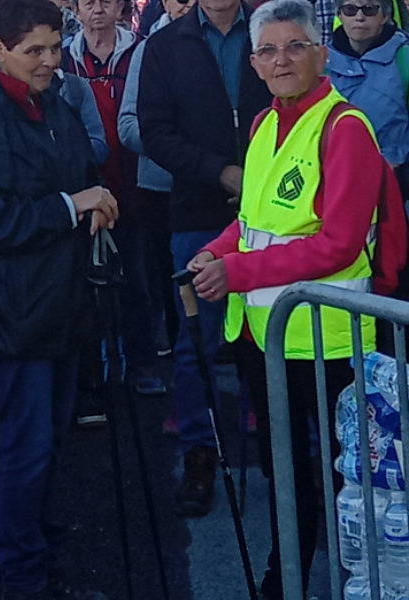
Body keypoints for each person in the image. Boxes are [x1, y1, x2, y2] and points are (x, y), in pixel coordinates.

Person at [189, 0, 405, 596]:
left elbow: (337, 244)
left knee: (351, 475)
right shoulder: (262, 125)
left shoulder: (346, 130)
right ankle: (288, 571)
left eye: (295, 47)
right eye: (268, 50)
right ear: (255, 64)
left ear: (322, 54)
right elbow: (252, 220)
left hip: (335, 338)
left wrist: (238, 270)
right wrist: (216, 249)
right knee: (284, 469)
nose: (281, 60)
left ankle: (353, 577)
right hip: (269, 334)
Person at [0, 1, 117, 597]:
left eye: (53, 47)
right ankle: (23, 572)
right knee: (26, 444)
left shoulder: (49, 101)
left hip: (55, 299)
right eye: (33, 50)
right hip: (11, 310)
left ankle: (36, 543)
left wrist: (90, 199)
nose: (48, 60)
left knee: (47, 438)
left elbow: (81, 167)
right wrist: (74, 205)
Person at [138, 0, 272, 517]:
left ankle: (287, 450)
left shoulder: (268, 31)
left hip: (275, 215)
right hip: (197, 212)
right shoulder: (165, 45)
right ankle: (199, 451)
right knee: (197, 341)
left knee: (272, 334)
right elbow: (156, 133)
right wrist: (220, 172)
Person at [66, 0, 166, 397]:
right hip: (85, 187)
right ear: (75, 9)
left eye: (106, 1)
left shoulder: (139, 51)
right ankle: (97, 371)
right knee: (85, 286)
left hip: (132, 184)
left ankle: (142, 364)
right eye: (88, 2)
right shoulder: (65, 59)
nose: (98, 10)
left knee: (136, 282)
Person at [118, 0, 195, 360]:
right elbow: (128, 126)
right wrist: (174, 145)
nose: (188, 4)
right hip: (162, 190)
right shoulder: (148, 48)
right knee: (172, 286)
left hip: (222, 189)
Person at [327, 0, 409, 168]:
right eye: (350, 9)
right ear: (339, 15)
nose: (359, 17)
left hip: (397, 177)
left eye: (369, 9)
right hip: (337, 174)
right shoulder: (320, 63)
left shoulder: (404, 58)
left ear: (385, 16)